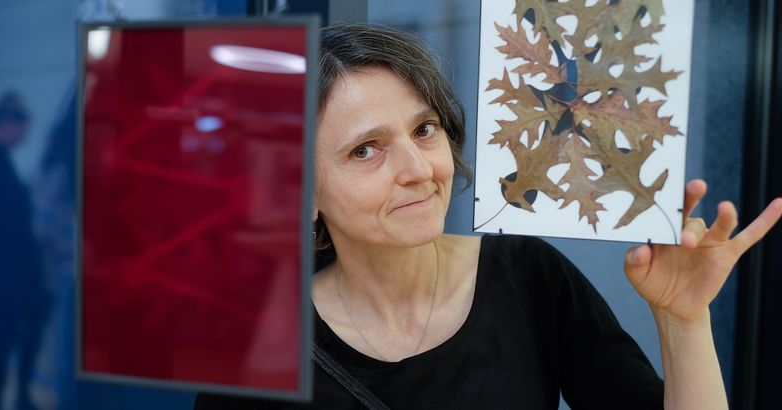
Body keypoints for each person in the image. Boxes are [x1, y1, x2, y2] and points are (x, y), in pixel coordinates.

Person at [194, 23, 782, 409]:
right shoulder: (256, 351)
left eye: (424, 130)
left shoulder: (528, 274)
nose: (419, 169)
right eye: (365, 150)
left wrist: (684, 322)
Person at [0, 91, 51, 410]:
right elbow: (3, 233)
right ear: (7, 123)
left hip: (5, 282)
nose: (25, 134)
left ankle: (15, 396)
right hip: (0, 285)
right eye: (23, 126)